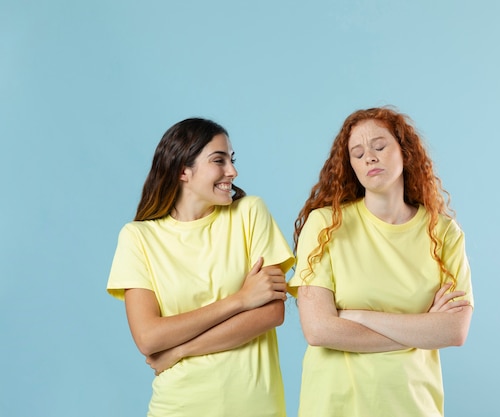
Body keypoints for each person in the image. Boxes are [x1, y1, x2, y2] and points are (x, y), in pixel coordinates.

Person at [287, 107, 474, 417]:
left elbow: (454, 331)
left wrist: (358, 316)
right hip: (336, 407)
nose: (369, 158)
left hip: (414, 407)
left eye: (379, 146)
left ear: (405, 151)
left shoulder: (443, 233)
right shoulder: (324, 225)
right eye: (357, 154)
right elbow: (319, 330)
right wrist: (420, 330)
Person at [107, 118, 294, 417]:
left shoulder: (250, 213)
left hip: (256, 408)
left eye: (231, 160)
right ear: (183, 170)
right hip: (178, 407)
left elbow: (271, 312)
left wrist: (179, 350)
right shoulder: (138, 238)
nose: (232, 171)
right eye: (218, 161)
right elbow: (149, 338)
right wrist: (241, 300)